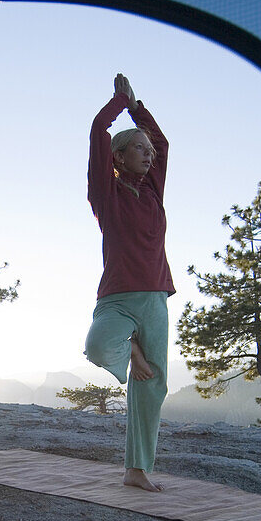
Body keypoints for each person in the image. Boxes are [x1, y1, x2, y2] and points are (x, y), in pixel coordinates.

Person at [84, 74, 175, 492]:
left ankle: (136, 470)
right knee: (99, 346)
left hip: (155, 295)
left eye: (148, 149)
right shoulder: (106, 193)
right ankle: (131, 349)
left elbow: (164, 142)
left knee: (152, 385)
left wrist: (139, 108)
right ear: (118, 156)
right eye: (137, 147)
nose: (148, 152)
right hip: (116, 298)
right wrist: (120, 101)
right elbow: (98, 131)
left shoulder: (154, 190)